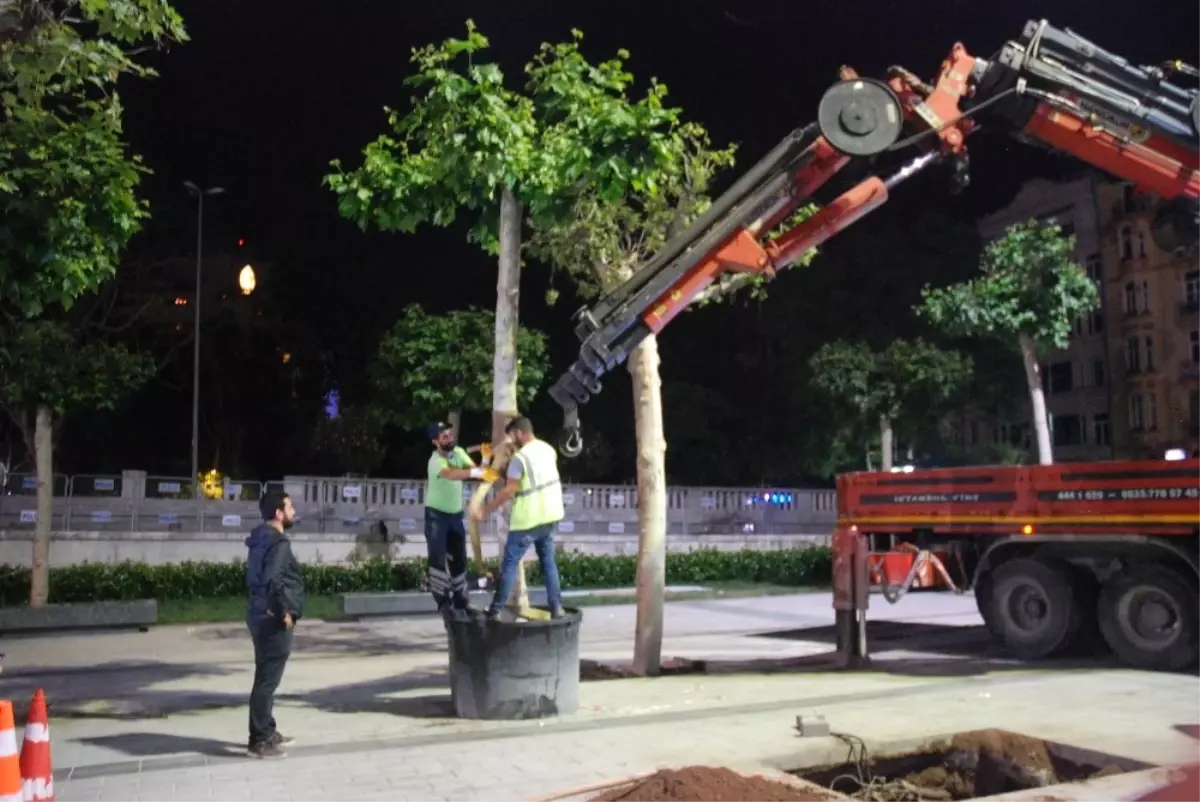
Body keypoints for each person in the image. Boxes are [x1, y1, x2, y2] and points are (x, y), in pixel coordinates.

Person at [473, 416, 566, 619]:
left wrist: (484, 510)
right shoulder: (548, 449)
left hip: (527, 520)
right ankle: (557, 607)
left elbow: (509, 491)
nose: (511, 441)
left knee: (510, 565)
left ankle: (495, 610)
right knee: (548, 562)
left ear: (518, 433)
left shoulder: (520, 458)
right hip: (550, 515)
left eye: (511, 436)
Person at [244, 490, 305, 759]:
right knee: (267, 681)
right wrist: (285, 613)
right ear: (279, 513)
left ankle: (266, 729)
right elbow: (273, 581)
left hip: (258, 614)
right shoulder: (279, 543)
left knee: (264, 676)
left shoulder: (260, 539)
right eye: (290, 507)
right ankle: (258, 740)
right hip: (272, 618)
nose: (293, 511)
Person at [425, 421, 490, 614]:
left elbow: (479, 472)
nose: (449, 438)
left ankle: (461, 600)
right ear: (435, 442)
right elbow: (451, 474)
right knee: (437, 557)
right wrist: (474, 471)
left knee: (458, 558)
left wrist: (485, 459)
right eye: (444, 437)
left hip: (454, 515)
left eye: (450, 434)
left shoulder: (459, 452)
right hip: (436, 515)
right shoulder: (435, 461)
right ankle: (443, 602)